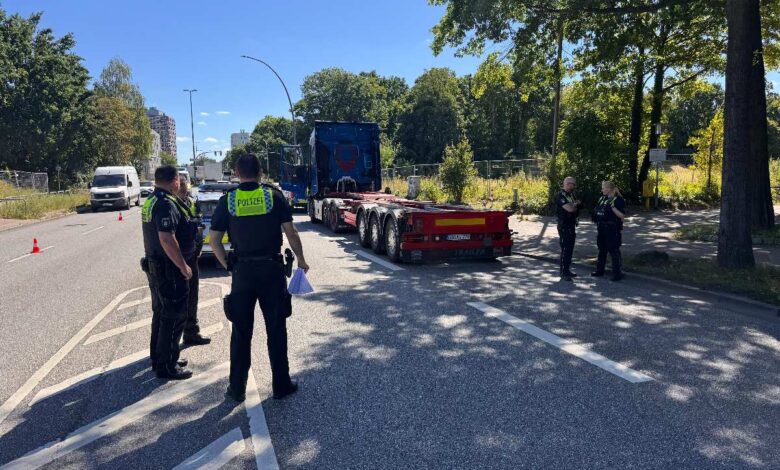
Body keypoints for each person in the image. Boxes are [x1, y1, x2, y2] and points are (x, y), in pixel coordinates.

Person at [209, 154, 309, 403]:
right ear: (261, 172)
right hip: (271, 271)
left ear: (236, 172)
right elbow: (291, 232)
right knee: (276, 329)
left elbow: (214, 240)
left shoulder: (228, 200)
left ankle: (237, 389)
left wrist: (228, 266)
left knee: (241, 332)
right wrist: (302, 260)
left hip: (242, 272)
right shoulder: (273, 196)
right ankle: (281, 385)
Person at [140, 165, 197, 380]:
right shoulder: (165, 203)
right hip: (169, 270)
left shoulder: (152, 200)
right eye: (178, 179)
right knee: (174, 316)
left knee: (161, 315)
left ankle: (161, 356)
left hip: (157, 267)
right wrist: (183, 266)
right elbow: (166, 238)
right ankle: (167, 366)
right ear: (174, 180)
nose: (180, 183)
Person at [176, 176, 211, 346]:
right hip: (178, 259)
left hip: (192, 255)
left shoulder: (190, 203)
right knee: (179, 301)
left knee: (192, 296)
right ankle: (173, 343)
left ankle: (191, 332)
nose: (184, 194)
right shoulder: (173, 205)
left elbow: (199, 223)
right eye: (181, 191)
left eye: (185, 191)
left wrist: (199, 248)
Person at [591, 181, 626, 281]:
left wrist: (612, 207)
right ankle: (599, 271)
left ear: (609, 189)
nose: (602, 190)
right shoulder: (602, 198)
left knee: (613, 251)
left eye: (603, 188)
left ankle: (617, 274)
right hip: (601, 228)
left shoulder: (618, 200)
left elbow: (622, 216)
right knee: (602, 250)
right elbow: (598, 211)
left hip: (612, 229)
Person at [555, 176, 582, 281]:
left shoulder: (571, 195)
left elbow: (579, 205)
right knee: (565, 249)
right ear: (567, 183)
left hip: (571, 225)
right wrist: (575, 205)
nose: (574, 186)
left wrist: (575, 205)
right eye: (573, 184)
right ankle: (563, 272)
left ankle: (567, 270)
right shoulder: (560, 196)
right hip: (564, 226)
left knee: (570, 249)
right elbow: (570, 209)